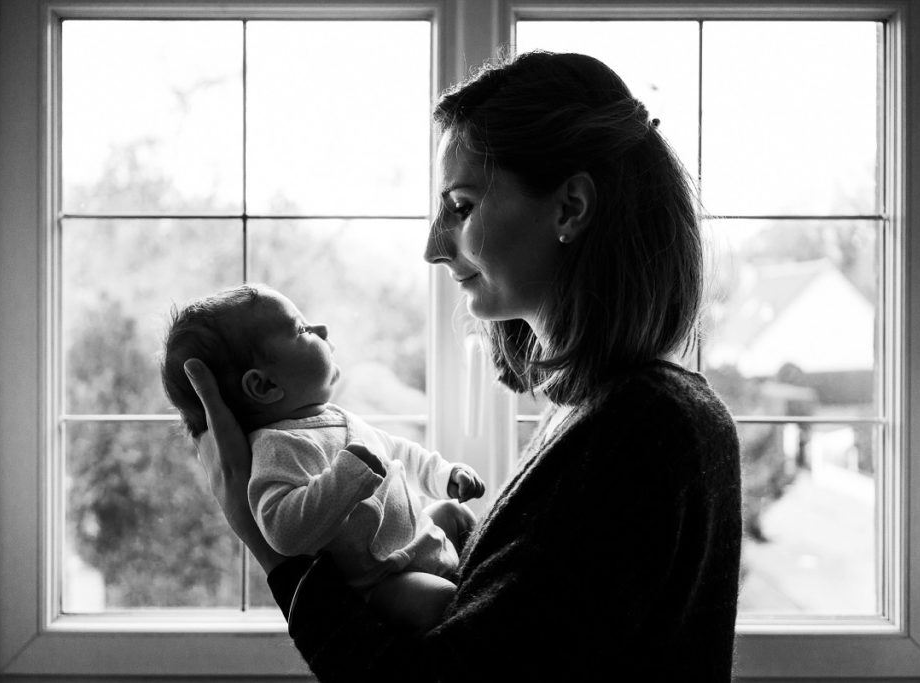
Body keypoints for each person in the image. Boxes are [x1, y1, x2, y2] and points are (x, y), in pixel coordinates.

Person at [185, 50, 742, 681]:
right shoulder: (598, 410)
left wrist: (268, 544)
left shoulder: (643, 428)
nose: (432, 246)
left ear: (570, 207)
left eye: (461, 206)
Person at [161, 284, 485, 632]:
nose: (323, 331)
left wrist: (445, 475)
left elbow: (398, 451)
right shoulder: (276, 447)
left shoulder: (335, 417)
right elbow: (283, 531)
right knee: (442, 602)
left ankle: (491, 584)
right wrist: (345, 478)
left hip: (418, 540)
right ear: (264, 386)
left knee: (455, 514)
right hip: (385, 580)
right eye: (302, 330)